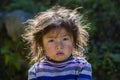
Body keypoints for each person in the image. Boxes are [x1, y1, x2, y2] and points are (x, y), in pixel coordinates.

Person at [22, 6, 92, 80]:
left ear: (74, 42)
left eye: (65, 39)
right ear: (42, 45)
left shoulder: (81, 67)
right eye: (51, 40)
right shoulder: (36, 71)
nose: (59, 46)